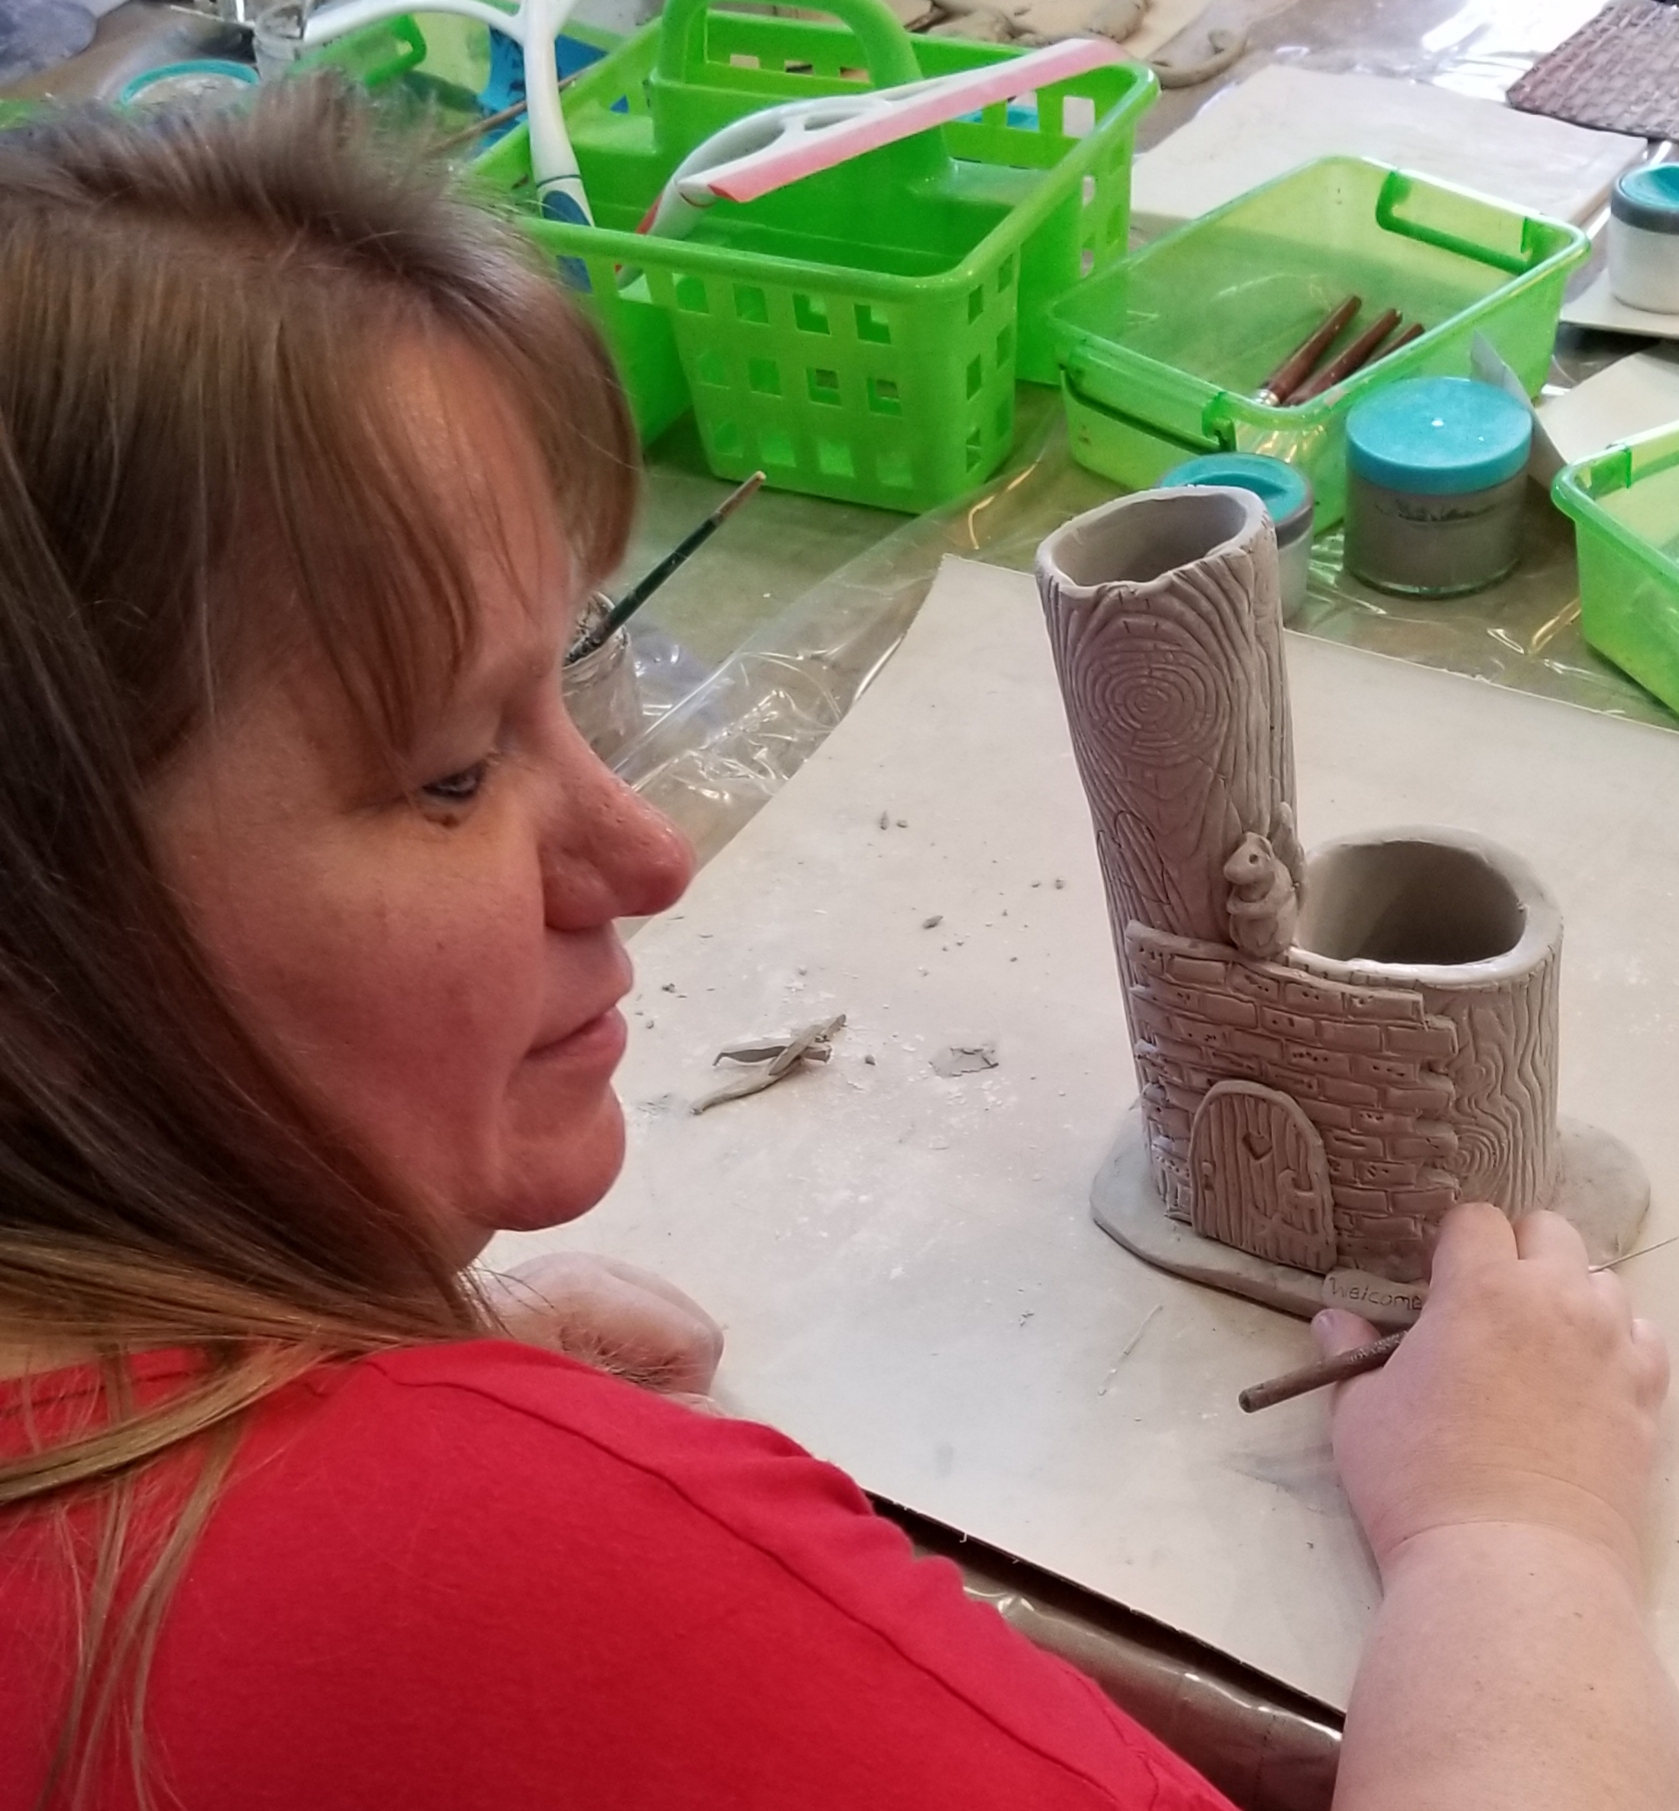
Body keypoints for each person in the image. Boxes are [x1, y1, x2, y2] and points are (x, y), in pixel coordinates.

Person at [0, 79, 1673, 1811]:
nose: (648, 856)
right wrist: (1520, 1540)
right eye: (448, 775)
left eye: (572, 678)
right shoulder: (555, 1583)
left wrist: (360, 1328)